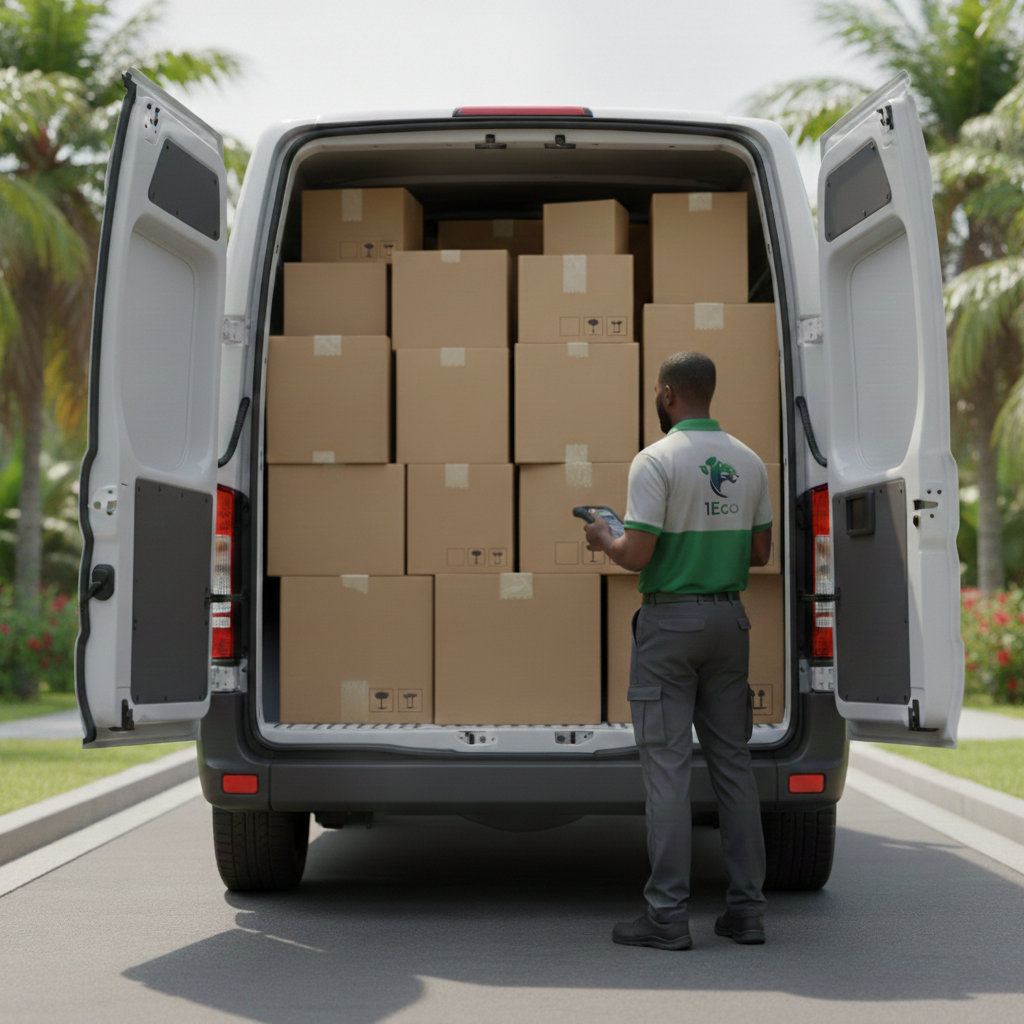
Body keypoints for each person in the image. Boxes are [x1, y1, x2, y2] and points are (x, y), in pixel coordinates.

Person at [583, 350, 772, 951]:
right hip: (728, 622)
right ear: (708, 393)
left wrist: (604, 538)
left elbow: (636, 555)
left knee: (666, 771)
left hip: (670, 627)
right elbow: (761, 554)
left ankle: (667, 915)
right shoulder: (748, 461)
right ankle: (747, 911)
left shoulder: (654, 460)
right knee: (733, 767)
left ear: (666, 394)